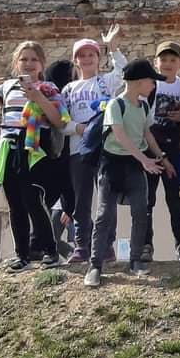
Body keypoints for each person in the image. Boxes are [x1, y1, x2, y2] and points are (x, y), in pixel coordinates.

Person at [0, 42, 66, 271]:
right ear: (16, 63)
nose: (29, 63)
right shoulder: (7, 86)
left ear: (42, 64)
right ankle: (22, 255)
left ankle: (50, 251)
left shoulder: (48, 87)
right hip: (9, 147)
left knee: (33, 199)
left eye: (34, 59)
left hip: (34, 147)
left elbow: (59, 120)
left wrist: (38, 97)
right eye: (24, 59)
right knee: (15, 203)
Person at [88, 60, 169, 286]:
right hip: (112, 165)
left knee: (141, 212)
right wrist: (144, 159)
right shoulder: (116, 104)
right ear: (139, 82)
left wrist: (161, 158)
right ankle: (95, 266)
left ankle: (136, 261)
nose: (153, 85)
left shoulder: (144, 106)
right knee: (104, 215)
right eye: (151, 81)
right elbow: (120, 135)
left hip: (134, 165)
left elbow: (146, 135)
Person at [57, 28, 125, 268]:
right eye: (82, 55)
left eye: (91, 55)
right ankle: (81, 245)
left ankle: (106, 245)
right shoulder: (68, 89)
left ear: (98, 58)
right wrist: (78, 128)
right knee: (81, 200)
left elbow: (123, 71)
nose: (86, 59)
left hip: (105, 147)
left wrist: (112, 47)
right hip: (78, 149)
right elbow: (61, 121)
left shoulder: (104, 82)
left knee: (106, 198)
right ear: (75, 60)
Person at [146, 41, 180, 262]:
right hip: (150, 147)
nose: (167, 63)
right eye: (163, 59)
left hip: (174, 147)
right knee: (146, 199)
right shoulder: (149, 85)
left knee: (176, 198)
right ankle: (146, 244)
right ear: (155, 62)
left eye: (172, 59)